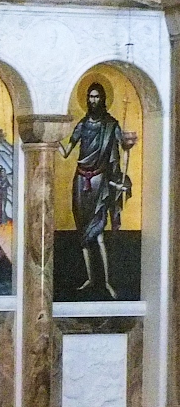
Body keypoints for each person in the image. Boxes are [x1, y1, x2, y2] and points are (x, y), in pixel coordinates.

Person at [58, 82, 133, 299]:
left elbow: (123, 146)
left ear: (103, 99)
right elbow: (66, 152)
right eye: (90, 97)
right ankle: (90, 278)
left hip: (100, 182)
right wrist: (52, 139)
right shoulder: (82, 125)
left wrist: (128, 146)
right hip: (81, 182)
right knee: (84, 233)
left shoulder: (111, 125)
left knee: (98, 233)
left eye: (97, 97)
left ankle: (107, 282)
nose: (93, 100)